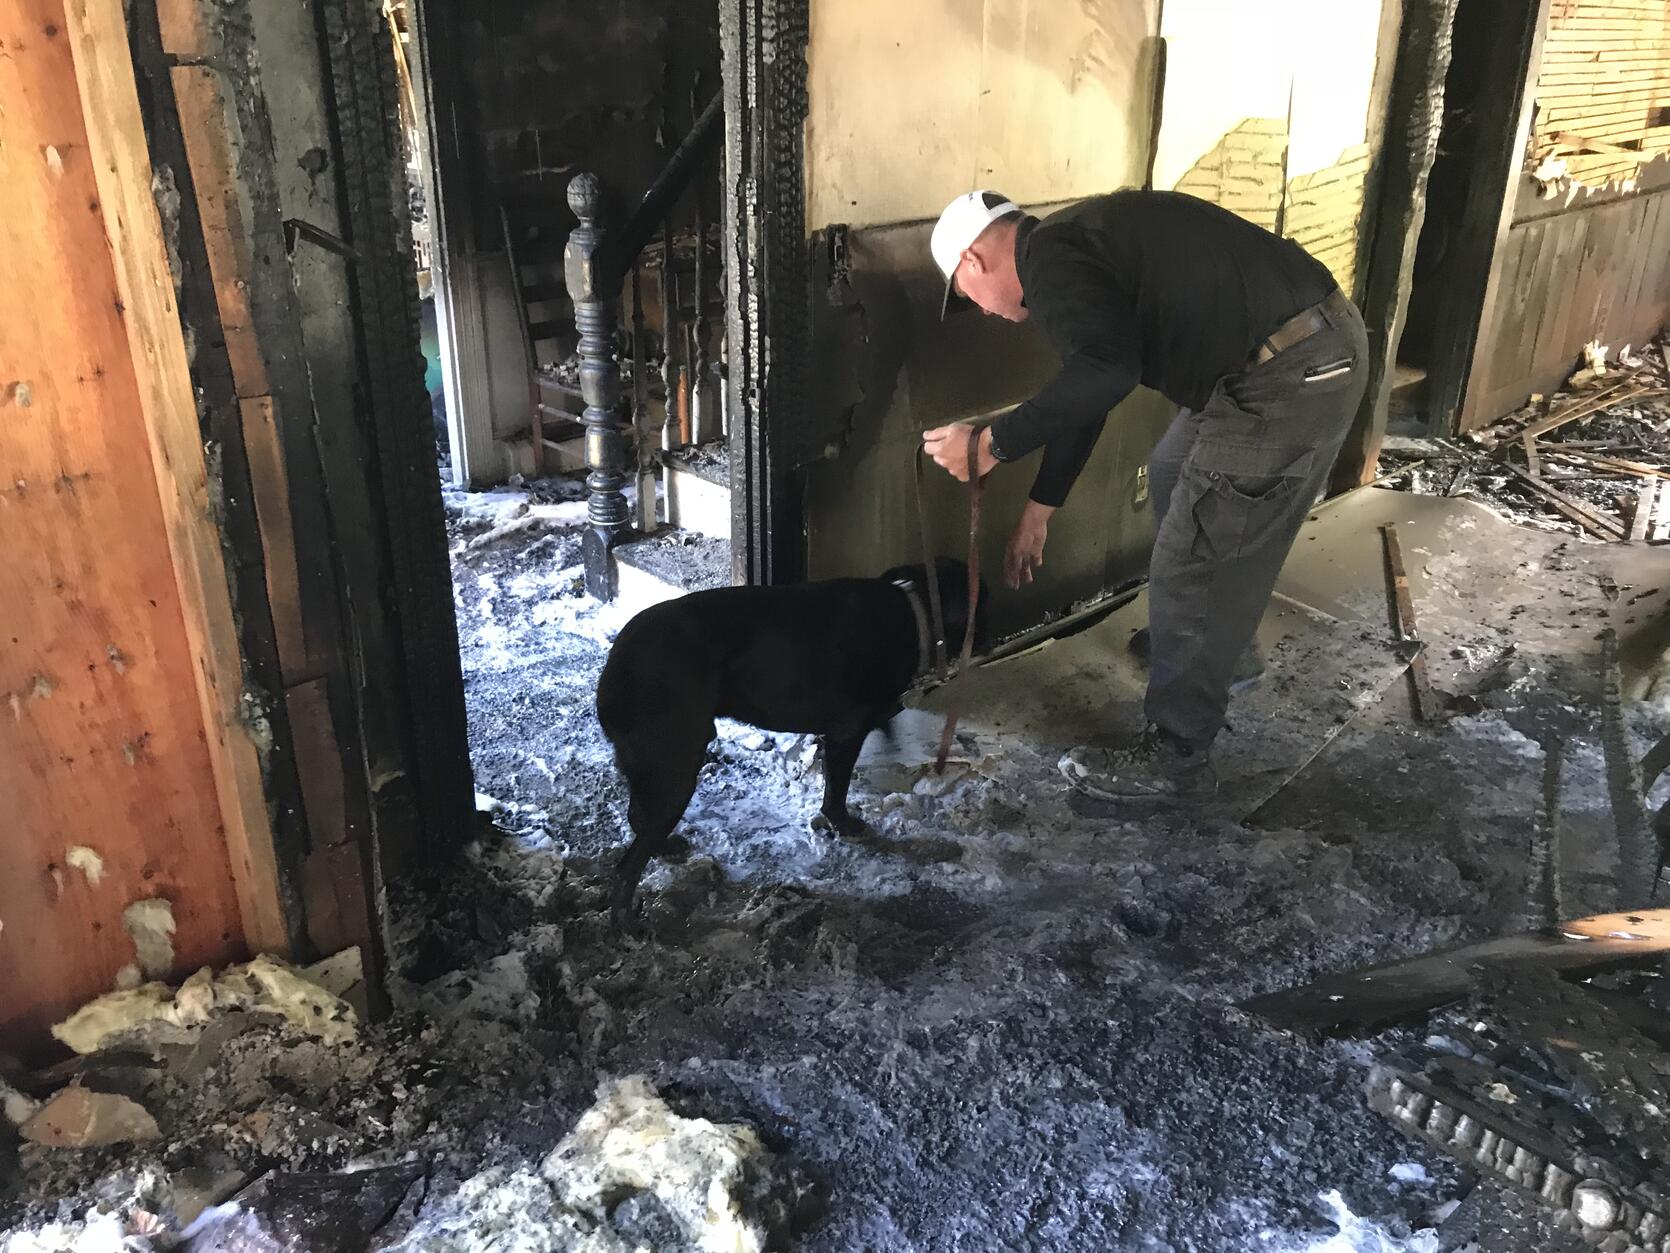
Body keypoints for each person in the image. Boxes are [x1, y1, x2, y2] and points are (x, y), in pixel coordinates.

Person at [921, 188, 1369, 801]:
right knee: (1171, 469)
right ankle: (1214, 649)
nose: (983, 311)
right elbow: (1091, 385)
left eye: (966, 296)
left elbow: (1105, 374)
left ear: (972, 261)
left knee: (1193, 555)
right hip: (1280, 356)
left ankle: (1177, 753)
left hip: (1288, 372)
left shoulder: (1052, 261)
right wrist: (1039, 510)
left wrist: (992, 444)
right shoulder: (1065, 246)